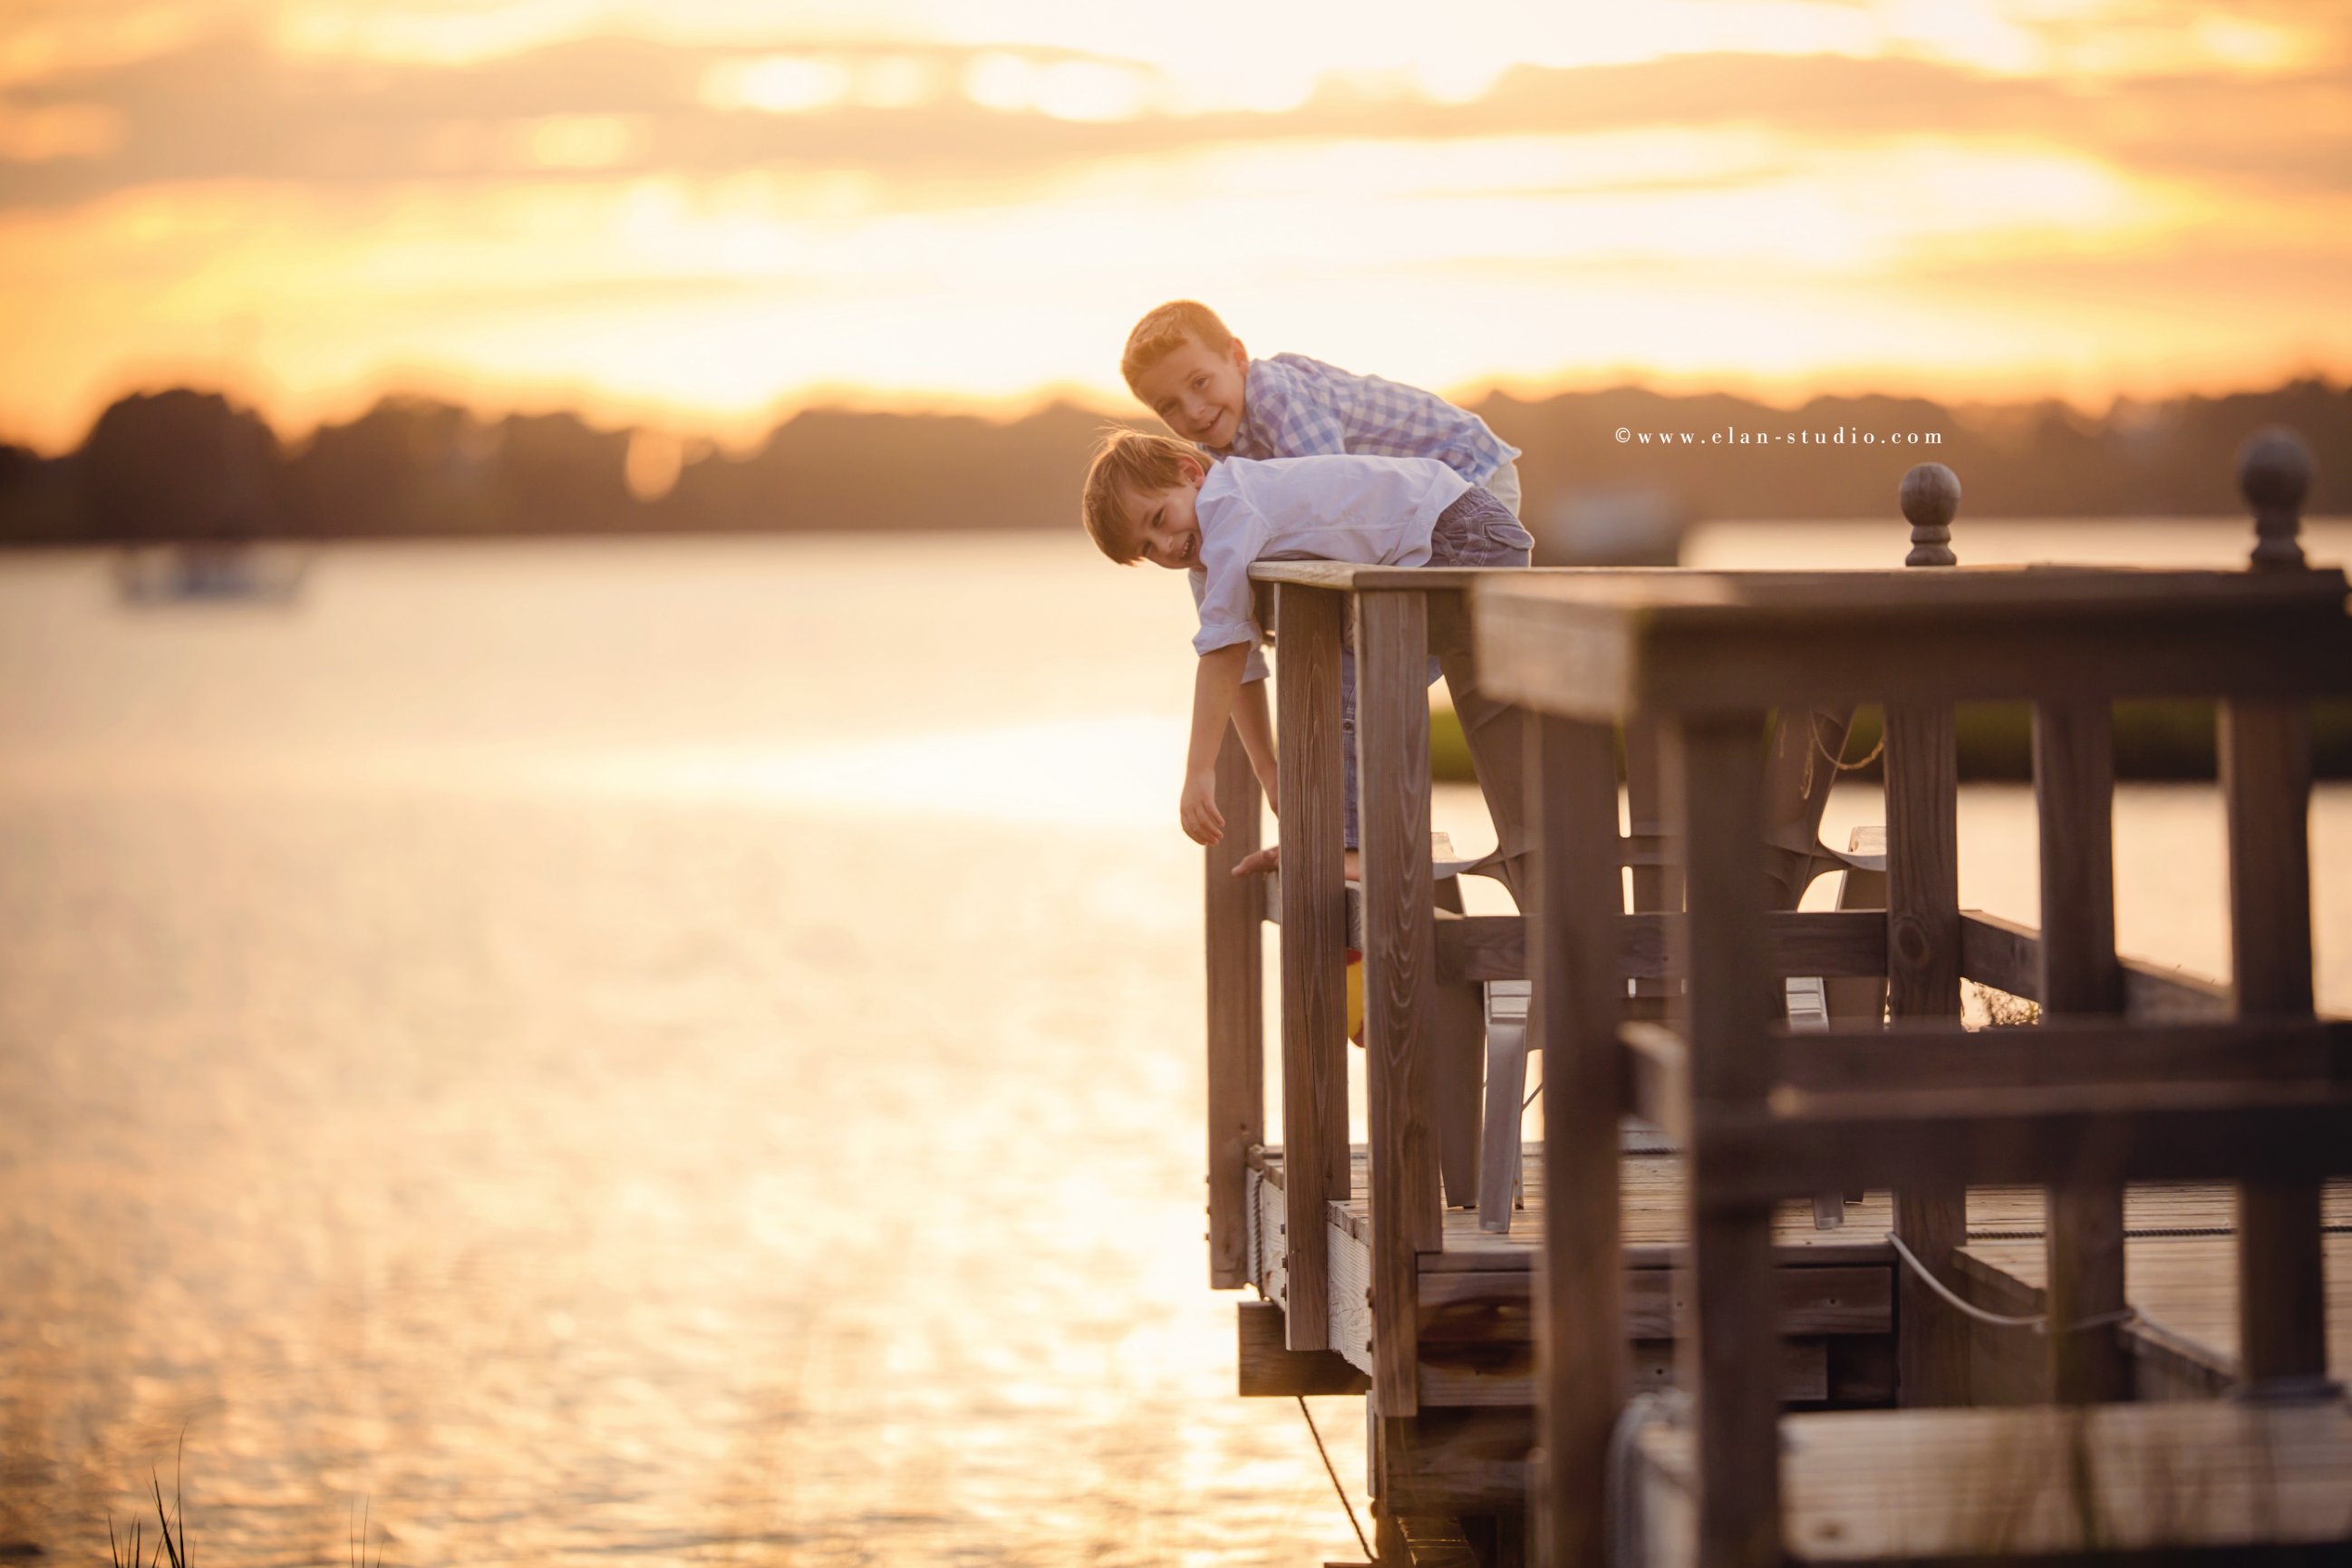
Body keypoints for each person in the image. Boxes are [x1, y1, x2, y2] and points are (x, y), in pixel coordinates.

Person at [1119, 301, 1532, 895]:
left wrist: (1200, 769)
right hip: (1420, 522)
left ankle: (1357, 845)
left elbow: (1336, 495)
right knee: (1343, 667)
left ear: (1237, 356)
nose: (1194, 410)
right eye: (1168, 407)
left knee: (1354, 671)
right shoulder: (1210, 491)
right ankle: (1339, 833)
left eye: (1200, 383)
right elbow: (1232, 646)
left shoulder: (1280, 403)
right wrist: (1267, 769)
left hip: (1467, 488)